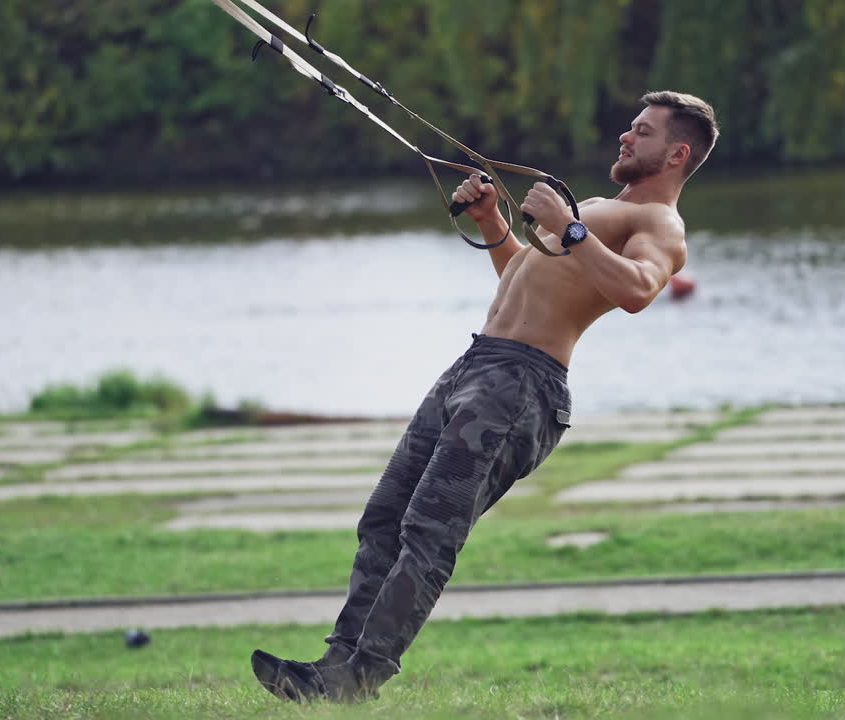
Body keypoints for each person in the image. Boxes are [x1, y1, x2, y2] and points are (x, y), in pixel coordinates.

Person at [251, 90, 719, 703]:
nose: (626, 138)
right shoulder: (602, 209)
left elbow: (636, 289)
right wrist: (494, 224)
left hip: (522, 387)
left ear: (677, 153)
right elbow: (528, 279)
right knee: (385, 518)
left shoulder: (660, 225)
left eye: (643, 132)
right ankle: (333, 666)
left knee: (428, 531)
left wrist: (570, 228)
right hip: (474, 367)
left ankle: (358, 679)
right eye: (630, 128)